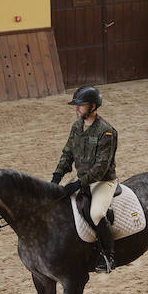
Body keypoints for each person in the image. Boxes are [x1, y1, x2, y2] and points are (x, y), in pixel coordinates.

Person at [52, 85, 119, 273]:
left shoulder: (106, 131)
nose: (77, 108)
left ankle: (108, 256)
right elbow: (67, 153)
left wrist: (76, 184)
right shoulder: (76, 126)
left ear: (93, 106)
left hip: (103, 181)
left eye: (81, 105)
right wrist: (57, 177)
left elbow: (101, 167)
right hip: (81, 178)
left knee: (96, 213)